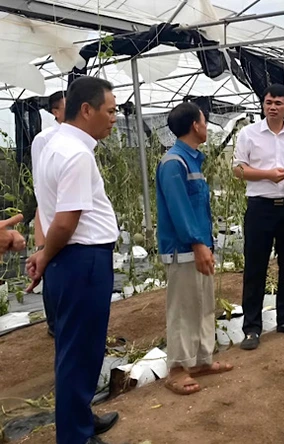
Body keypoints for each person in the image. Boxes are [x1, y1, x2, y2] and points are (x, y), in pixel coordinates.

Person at [26, 76, 120, 444]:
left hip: (70, 260)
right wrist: (46, 255)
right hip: (83, 260)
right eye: (110, 111)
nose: (114, 118)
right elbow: (65, 220)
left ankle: (80, 420)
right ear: (87, 110)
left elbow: (47, 212)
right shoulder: (77, 153)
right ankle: (76, 437)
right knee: (81, 352)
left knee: (74, 349)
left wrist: (44, 255)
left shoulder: (51, 144)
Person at [155, 102, 233, 395]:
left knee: (202, 306)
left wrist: (205, 244)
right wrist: (198, 244)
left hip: (199, 246)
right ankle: (176, 369)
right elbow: (179, 209)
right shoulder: (174, 162)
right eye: (204, 121)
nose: (207, 127)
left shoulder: (191, 160)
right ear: (194, 126)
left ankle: (200, 360)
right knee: (183, 309)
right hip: (184, 249)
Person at [232, 84, 284, 351]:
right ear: (263, 105)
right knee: (256, 266)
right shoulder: (249, 134)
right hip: (260, 208)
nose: (272, 107)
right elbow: (239, 170)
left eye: (278, 103)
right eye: (268, 102)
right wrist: (267, 174)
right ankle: (252, 328)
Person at [31, 91, 66, 337]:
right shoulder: (44, 139)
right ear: (55, 111)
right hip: (52, 209)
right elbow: (39, 181)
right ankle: (54, 323)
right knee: (51, 262)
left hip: (67, 208)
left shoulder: (79, 137)